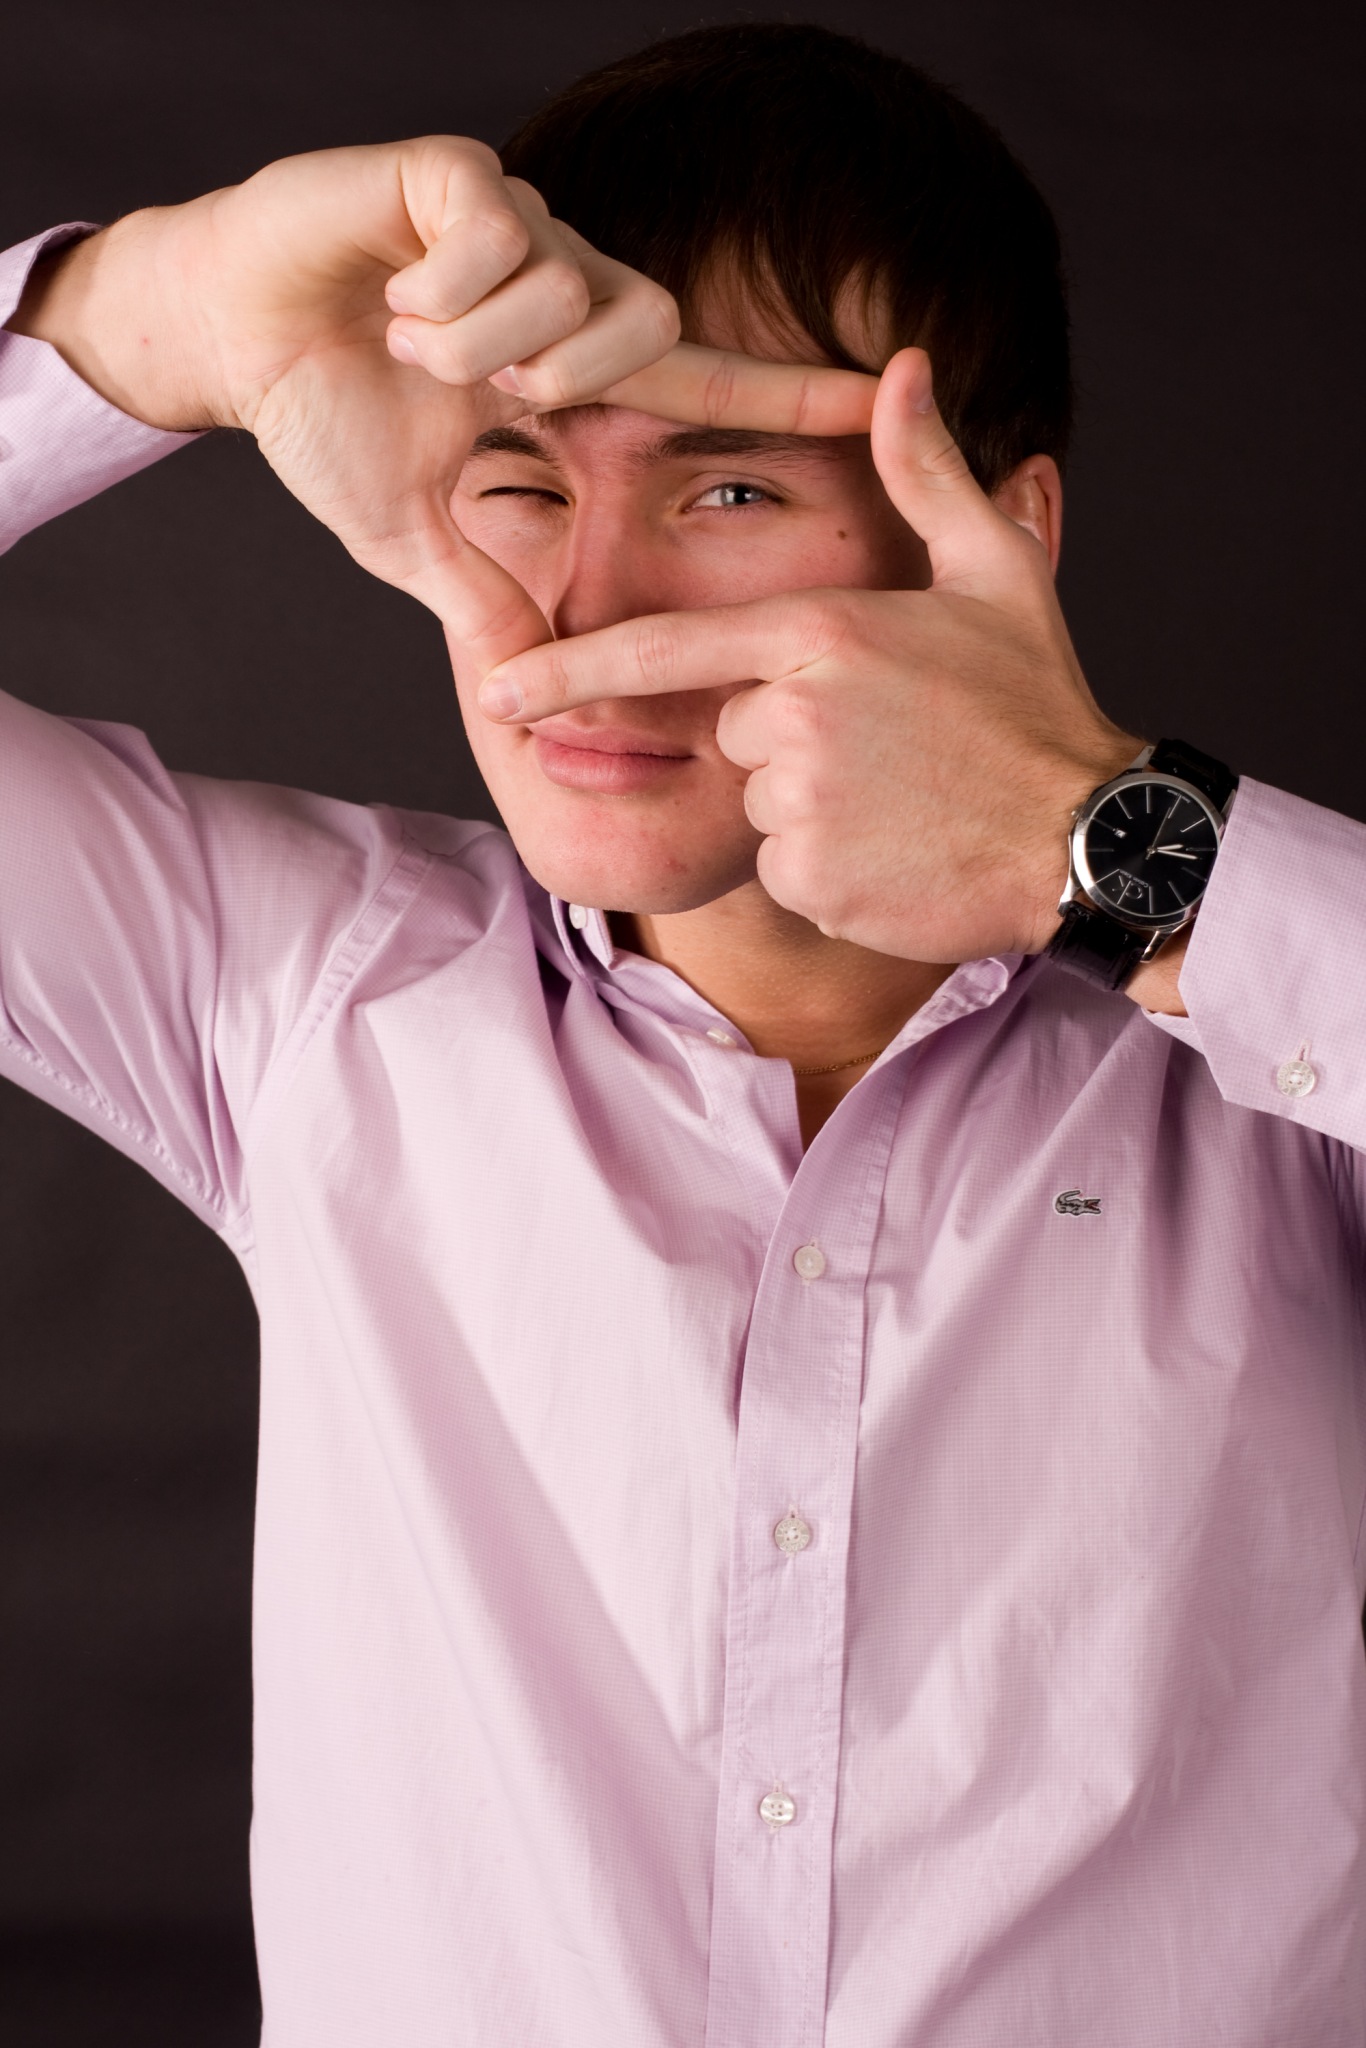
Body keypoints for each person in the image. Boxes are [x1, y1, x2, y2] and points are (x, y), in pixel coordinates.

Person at [0, 21, 1360, 2045]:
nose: (589, 607)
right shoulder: (306, 994)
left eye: (727, 484)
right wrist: (143, 319)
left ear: (1002, 533)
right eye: (521, 478)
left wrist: (1113, 852)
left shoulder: (1285, 1066)